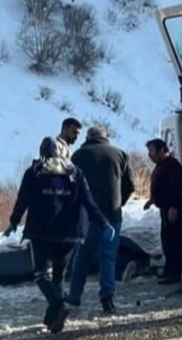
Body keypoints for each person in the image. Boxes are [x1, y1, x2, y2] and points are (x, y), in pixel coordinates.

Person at [3, 137, 115, 333]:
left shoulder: (35, 172)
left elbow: (23, 199)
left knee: (40, 276)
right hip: (70, 234)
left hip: (42, 231)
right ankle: (54, 321)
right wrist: (104, 223)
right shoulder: (74, 172)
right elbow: (88, 201)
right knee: (58, 277)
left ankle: (59, 305)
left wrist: (14, 221)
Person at [66, 127, 135, 314]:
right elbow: (131, 185)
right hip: (112, 215)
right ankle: (107, 297)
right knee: (108, 257)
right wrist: (119, 202)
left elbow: (70, 186)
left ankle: (74, 295)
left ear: (88, 139)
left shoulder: (79, 156)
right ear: (106, 138)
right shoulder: (120, 155)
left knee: (82, 257)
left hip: (87, 216)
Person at [143, 139, 182, 285]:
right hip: (165, 207)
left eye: (152, 151)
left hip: (175, 207)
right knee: (166, 239)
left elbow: (177, 187)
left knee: (174, 240)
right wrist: (152, 200)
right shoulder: (160, 166)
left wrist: (174, 207)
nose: (150, 155)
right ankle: (169, 269)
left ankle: (175, 273)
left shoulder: (172, 165)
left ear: (161, 150)